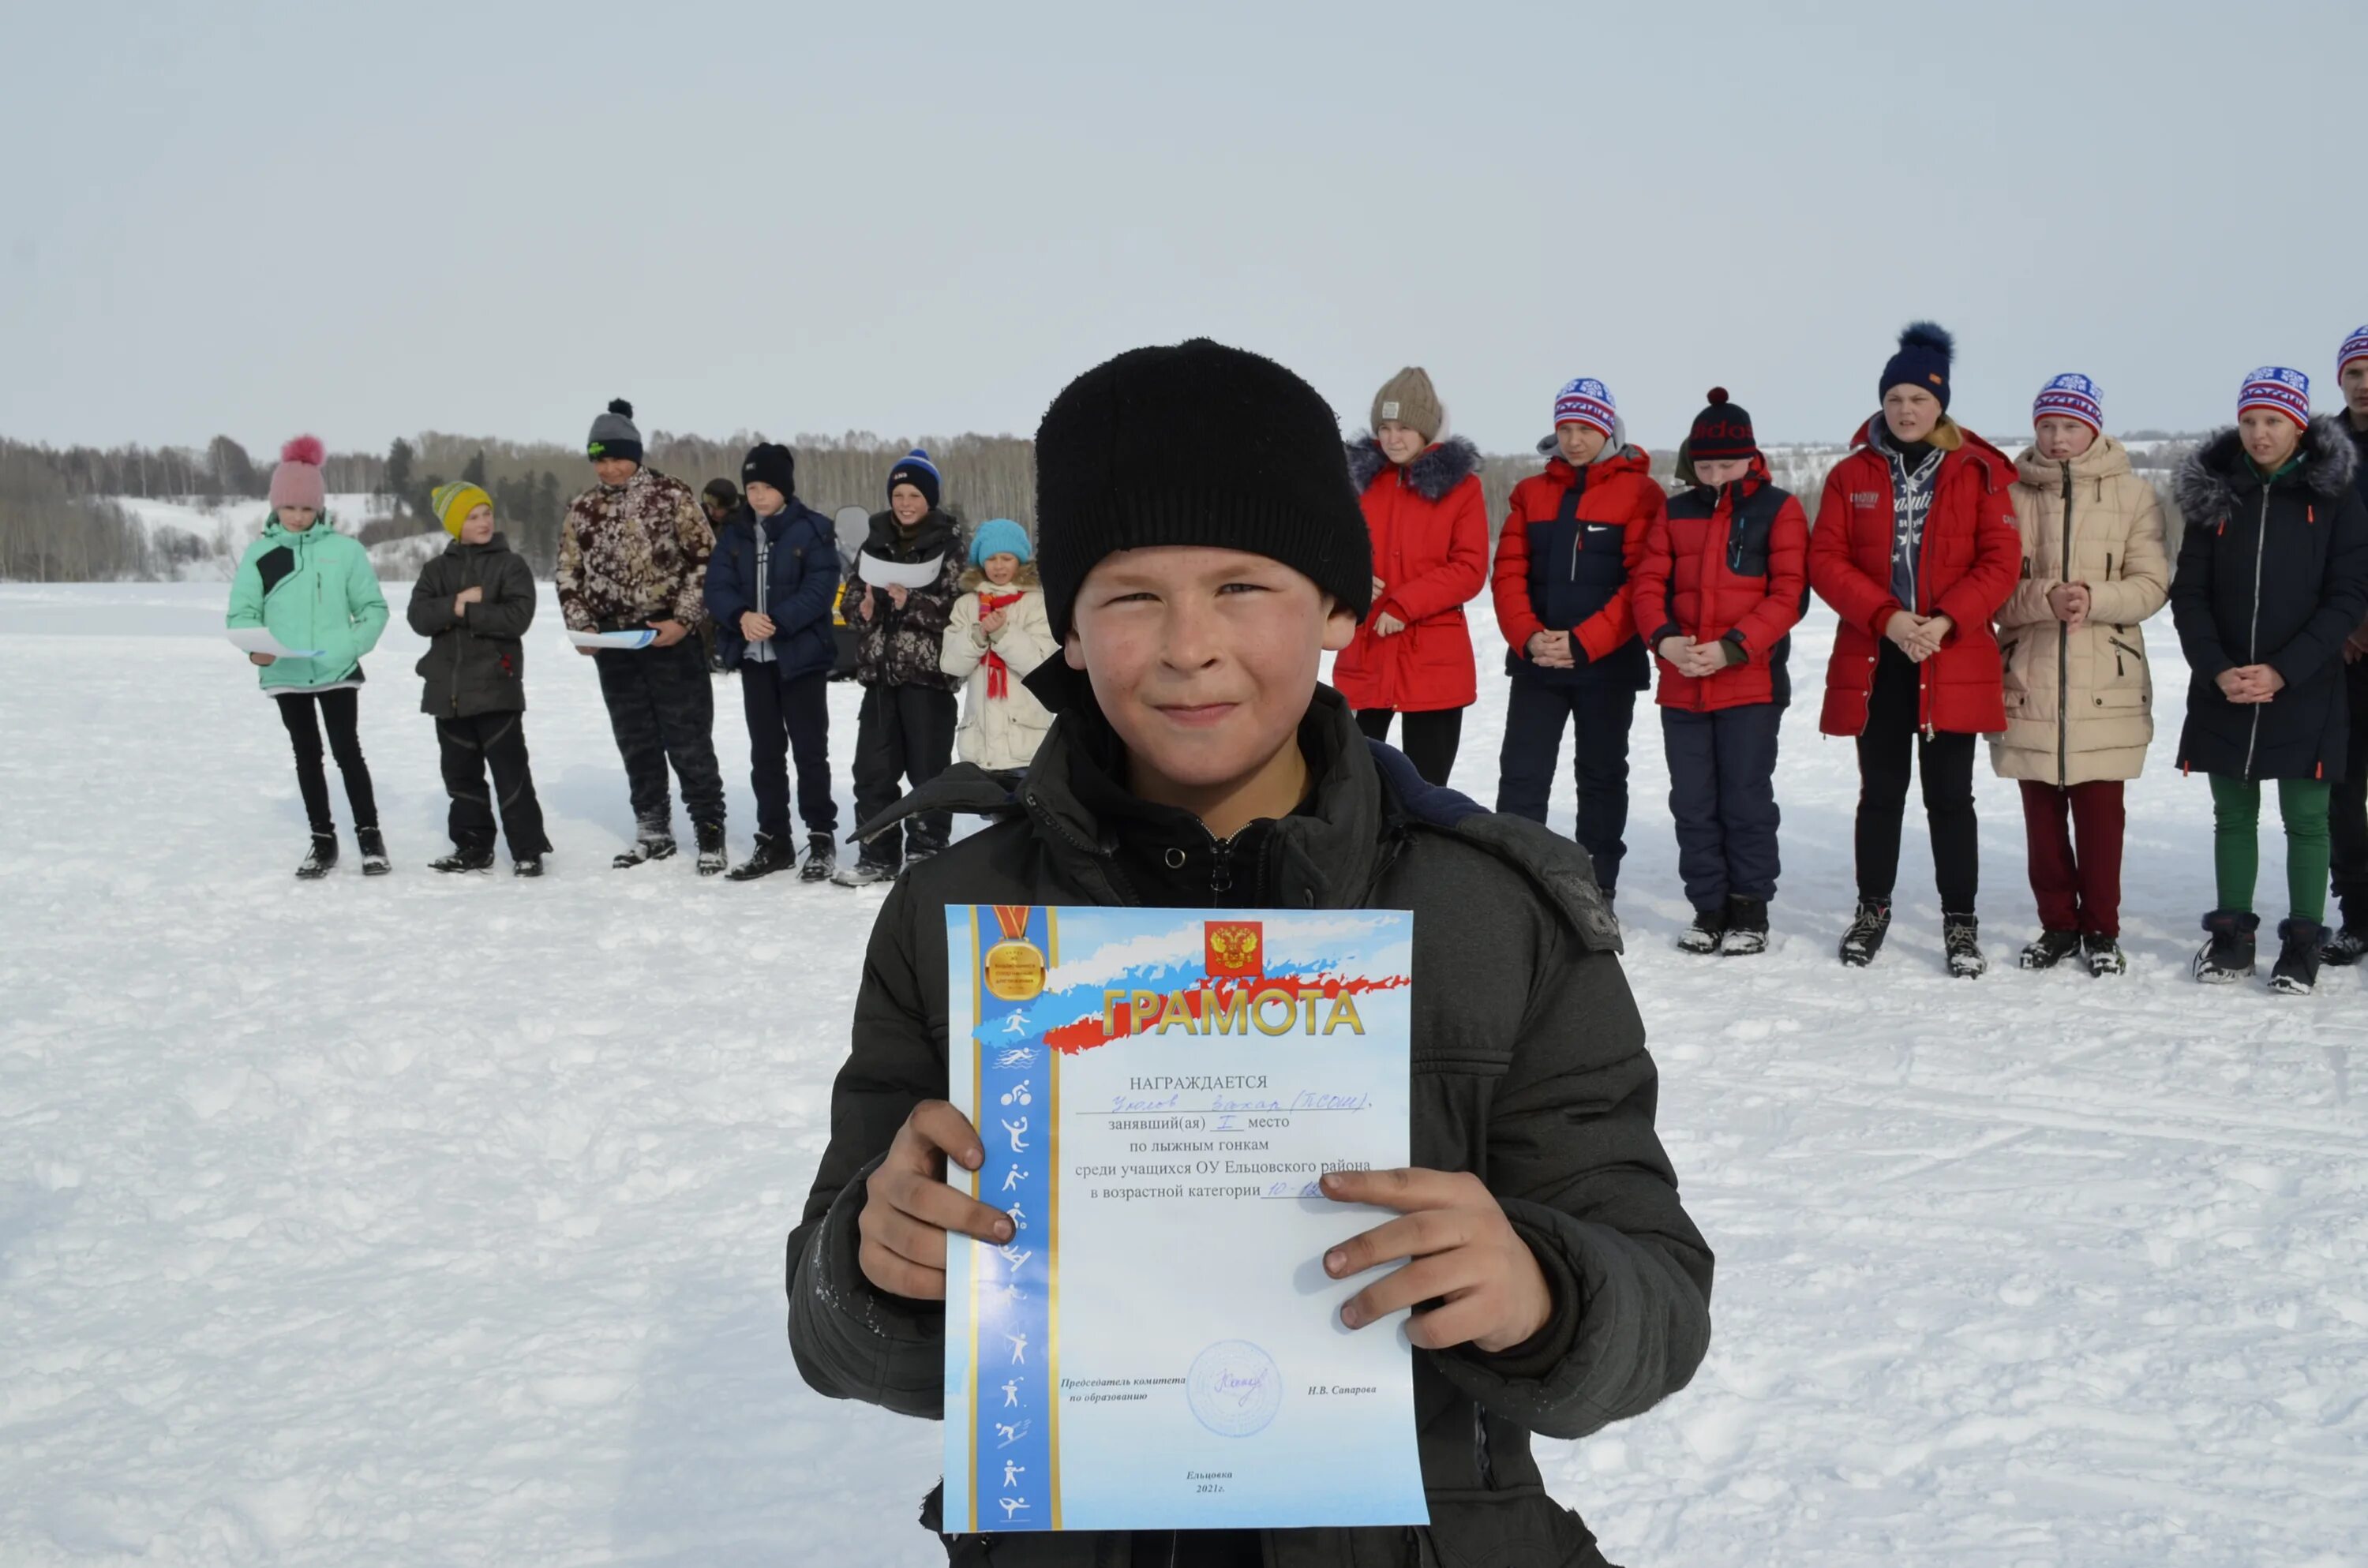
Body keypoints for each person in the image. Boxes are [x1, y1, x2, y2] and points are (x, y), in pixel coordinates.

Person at [784, 339, 1711, 1568]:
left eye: (1242, 586)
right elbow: (830, 1320)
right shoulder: (960, 915)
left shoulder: (1498, 913)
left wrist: (1541, 1288)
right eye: (1129, 594)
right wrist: (878, 1259)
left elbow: (1657, 1295)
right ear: (1069, 620)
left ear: (1337, 601)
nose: (1188, 644)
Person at [1810, 323, 2021, 976]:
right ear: (1882, 401)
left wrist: (1946, 620)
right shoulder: (1852, 474)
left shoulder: (1976, 471)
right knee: (1881, 794)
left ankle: (1961, 922)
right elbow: (1826, 558)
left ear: (1941, 405)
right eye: (1896, 397)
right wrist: (1889, 617)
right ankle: (1873, 910)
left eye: (1920, 399)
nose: (1906, 409)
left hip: (1950, 655)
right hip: (1877, 656)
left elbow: (2001, 558)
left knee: (1950, 798)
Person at [2171, 367, 2368, 994]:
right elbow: (2189, 594)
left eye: (2274, 421)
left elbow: (2347, 596)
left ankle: (2304, 940)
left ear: (2299, 425)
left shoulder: (2334, 496)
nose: (2260, 433)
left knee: (2308, 819)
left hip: (2306, 685)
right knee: (2233, 815)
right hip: (2225, 684)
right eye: (2251, 419)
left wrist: (2284, 669)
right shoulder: (2212, 495)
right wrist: (2218, 667)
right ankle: (2233, 936)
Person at [1989, 375, 2169, 975]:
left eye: (2070, 425)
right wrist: (2045, 597)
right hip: (2029, 675)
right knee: (2040, 816)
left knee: (2100, 816)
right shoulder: (2008, 496)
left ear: (2093, 428)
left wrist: (2093, 598)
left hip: (2105, 679)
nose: (2058, 437)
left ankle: (2102, 929)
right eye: (2047, 426)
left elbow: (2151, 584)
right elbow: (1990, 592)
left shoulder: (2135, 495)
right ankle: (2058, 924)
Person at [1630, 389, 1808, 956]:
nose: (1715, 474)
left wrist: (1735, 647)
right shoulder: (1675, 509)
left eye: (1726, 464)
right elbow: (1648, 586)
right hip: (1683, 685)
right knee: (1693, 800)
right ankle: (1708, 907)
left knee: (1745, 798)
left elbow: (1789, 596)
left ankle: (1750, 909)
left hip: (1750, 685)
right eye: (1705, 464)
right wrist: (1666, 641)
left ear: (1750, 458)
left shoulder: (1780, 508)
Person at [1490, 376, 1665, 896]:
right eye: (1564, 427)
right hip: (1537, 663)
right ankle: (1516, 886)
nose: (1573, 439)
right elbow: (1508, 575)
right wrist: (1529, 637)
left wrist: (1584, 642)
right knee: (1522, 774)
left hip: (1606, 666)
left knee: (1602, 776)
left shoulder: (1640, 493)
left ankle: (1596, 886)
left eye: (1585, 427)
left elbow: (1642, 580)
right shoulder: (1531, 492)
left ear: (1607, 428)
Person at [556, 399, 729, 875]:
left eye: (618, 457)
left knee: (688, 739)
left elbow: (706, 562)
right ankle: (652, 829)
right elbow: (568, 572)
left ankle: (709, 830)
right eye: (601, 459)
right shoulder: (582, 509)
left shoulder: (672, 495)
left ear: (635, 454)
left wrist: (684, 620)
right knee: (636, 740)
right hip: (614, 643)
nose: (610, 468)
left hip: (669, 638)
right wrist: (582, 626)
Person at [225, 435, 391, 879]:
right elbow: (242, 614)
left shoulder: (345, 552)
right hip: (287, 672)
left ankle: (370, 838)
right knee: (307, 755)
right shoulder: (261, 555)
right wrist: (257, 651)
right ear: (275, 507)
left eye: (306, 508)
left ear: (320, 508)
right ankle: (323, 841)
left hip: (337, 670)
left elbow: (373, 610)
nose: (298, 517)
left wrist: (349, 647)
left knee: (347, 752)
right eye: (290, 508)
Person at [1336, 367, 1488, 786]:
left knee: (1427, 788)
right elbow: (1327, 548)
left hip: (1432, 660)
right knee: (1357, 784)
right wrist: (1350, 575)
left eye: (1403, 427)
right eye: (1384, 427)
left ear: (1426, 430)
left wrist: (1407, 604)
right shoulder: (1355, 483)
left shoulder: (1462, 488)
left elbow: (1470, 567)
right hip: (1366, 655)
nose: (1391, 438)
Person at [704, 443, 841, 883]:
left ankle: (820, 837)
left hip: (800, 659)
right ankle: (774, 839)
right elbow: (717, 587)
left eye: (767, 487)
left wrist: (777, 622)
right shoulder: (735, 533)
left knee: (809, 752)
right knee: (765, 754)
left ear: (784, 488)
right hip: (755, 661)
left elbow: (821, 587)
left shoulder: (814, 529)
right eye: (752, 487)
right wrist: (740, 617)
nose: (759, 495)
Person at [834, 448, 965, 885]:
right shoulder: (874, 543)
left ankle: (927, 852)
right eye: (898, 494)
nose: (905, 503)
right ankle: (877, 854)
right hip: (879, 678)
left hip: (928, 680)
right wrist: (865, 607)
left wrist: (914, 604)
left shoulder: (950, 546)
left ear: (929, 499)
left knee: (929, 771)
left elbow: (959, 610)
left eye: (913, 495)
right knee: (872, 771)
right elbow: (851, 602)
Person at [408, 481, 552, 877]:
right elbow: (418, 618)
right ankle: (472, 846)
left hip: (496, 687)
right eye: (473, 516)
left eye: (487, 513)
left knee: (511, 773)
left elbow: (517, 618)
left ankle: (527, 849)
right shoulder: (436, 570)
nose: (484, 521)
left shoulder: (510, 566)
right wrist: (456, 603)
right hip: (447, 694)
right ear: (456, 524)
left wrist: (471, 611)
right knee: (460, 776)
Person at [939, 517, 1056, 774]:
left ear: (1020, 560)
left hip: (1026, 744)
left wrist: (1003, 634)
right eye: (991, 559)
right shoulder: (967, 606)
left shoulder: (1036, 604)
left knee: (1027, 813)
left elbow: (1040, 665)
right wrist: (978, 636)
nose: (999, 566)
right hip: (980, 748)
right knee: (991, 814)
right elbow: (951, 664)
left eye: (1007, 558)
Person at [2321, 327, 2368, 965]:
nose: (2364, 383)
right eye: (2355, 372)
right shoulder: (2321, 451)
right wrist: (2348, 620)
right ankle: (2357, 913)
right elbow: (2311, 549)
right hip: (2342, 647)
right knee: (2342, 786)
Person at [699, 478, 742, 675]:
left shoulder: (743, 523)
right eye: (708, 507)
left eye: (716, 508)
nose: (712, 513)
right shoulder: (698, 518)